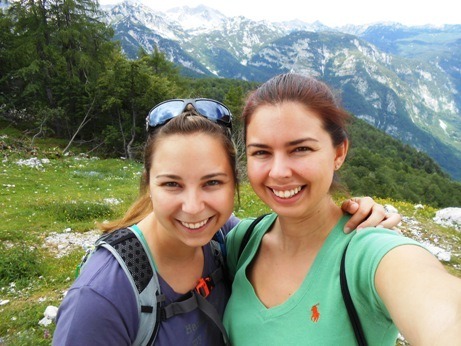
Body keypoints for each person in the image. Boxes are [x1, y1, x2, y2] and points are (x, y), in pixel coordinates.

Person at [53, 98, 401, 345]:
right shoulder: (102, 297)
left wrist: (357, 216)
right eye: (172, 184)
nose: (193, 208)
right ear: (148, 182)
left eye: (212, 183)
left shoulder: (227, 238)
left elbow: (291, 235)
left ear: (235, 183)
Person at [223, 73, 461, 345]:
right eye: (261, 152)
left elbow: (441, 310)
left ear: (338, 153)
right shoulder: (240, 242)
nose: (278, 172)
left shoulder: (368, 254)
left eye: (300, 149)